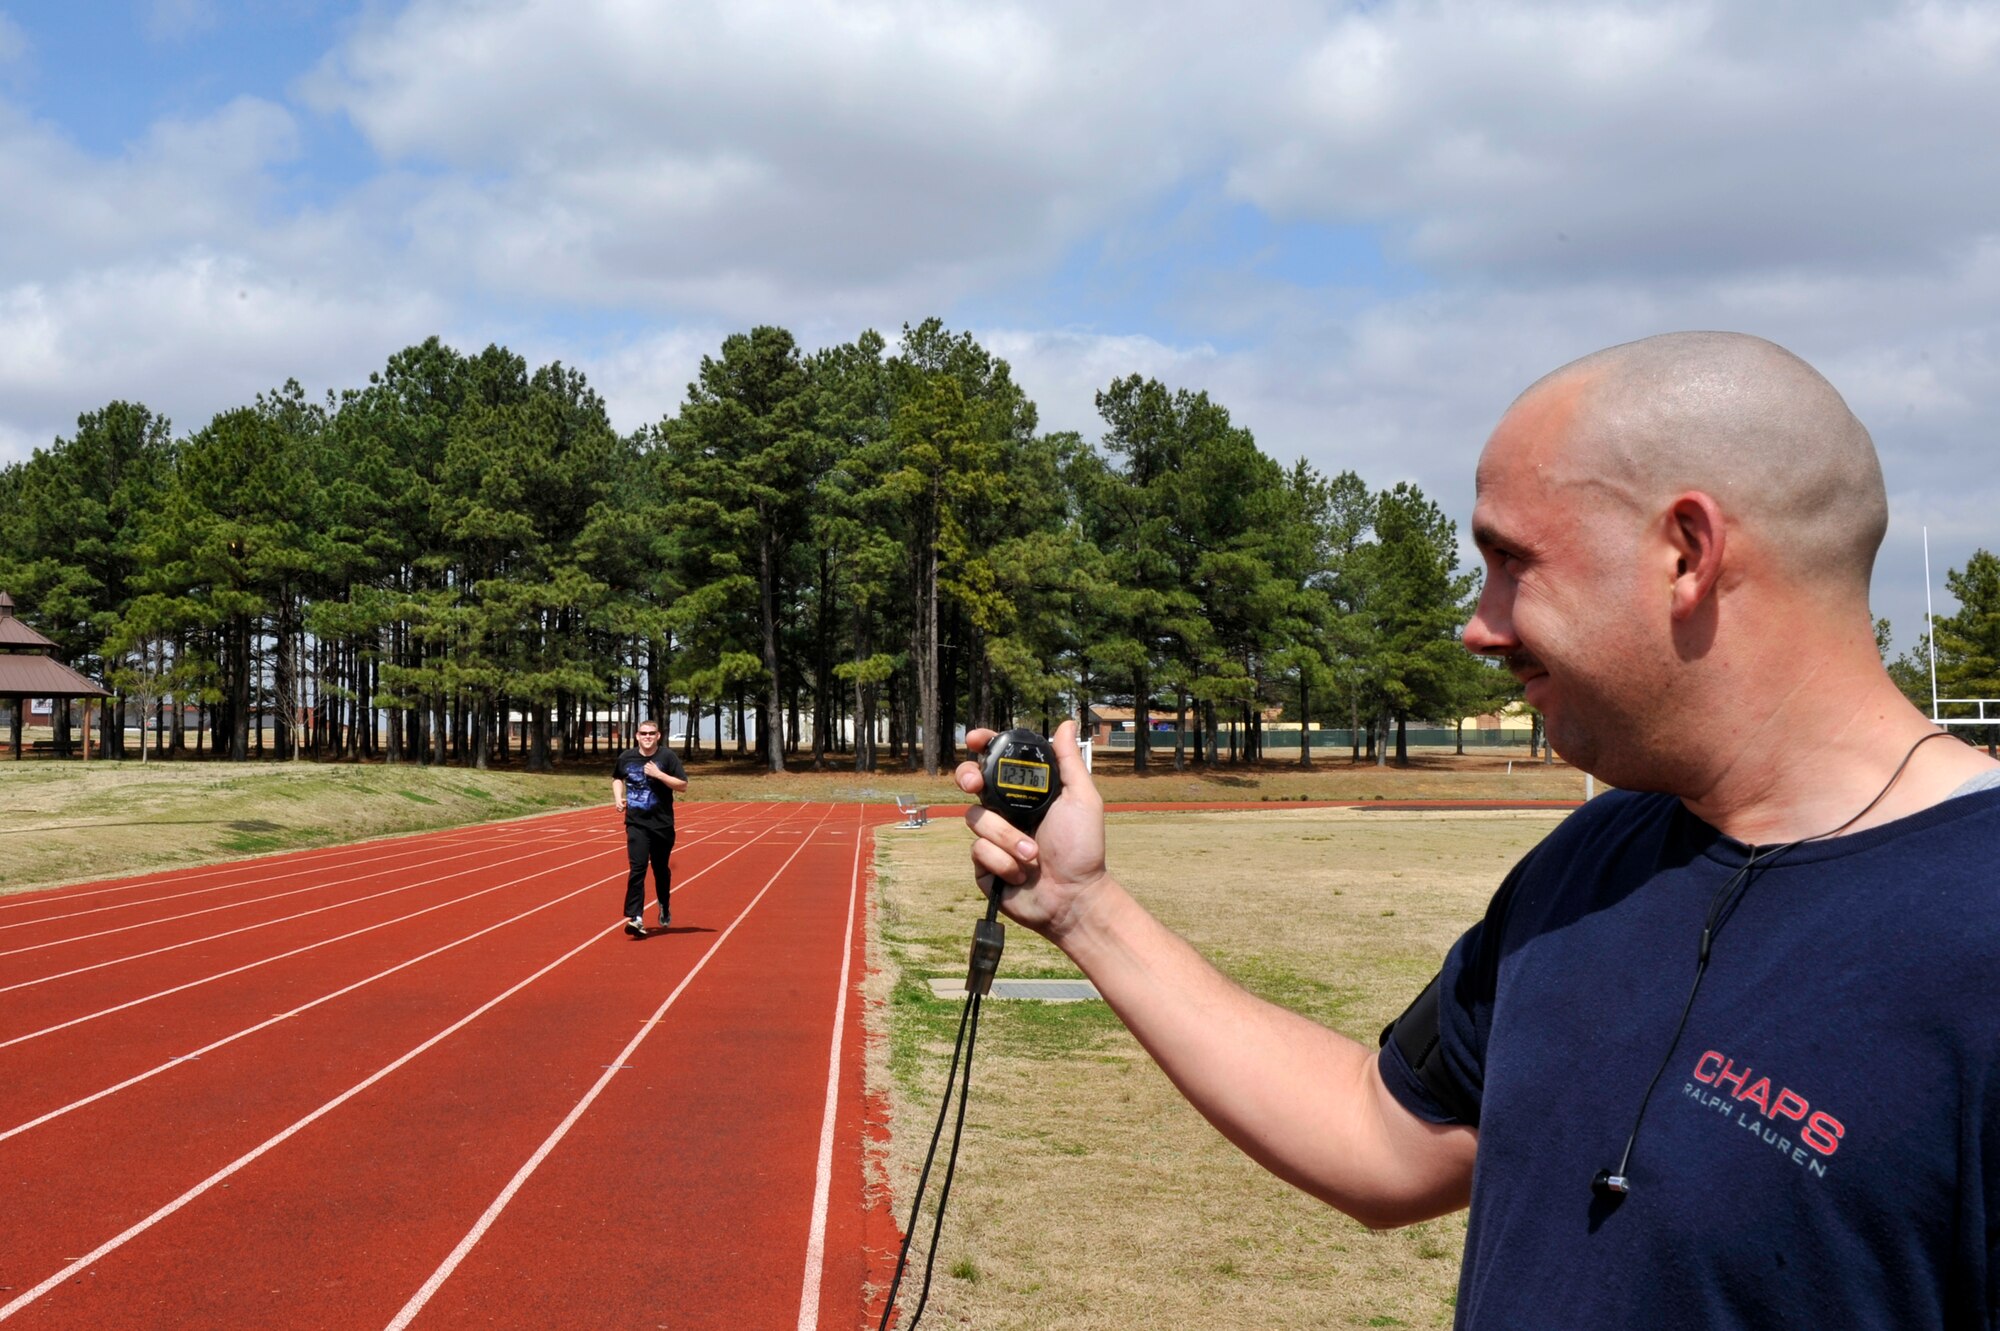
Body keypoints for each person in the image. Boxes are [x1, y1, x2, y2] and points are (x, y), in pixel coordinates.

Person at [956, 332, 2000, 1328]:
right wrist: (1082, 905)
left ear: (1687, 552)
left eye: (1510, 560)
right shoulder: (1594, 859)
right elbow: (1379, 1133)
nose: (1475, 621)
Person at [612, 719, 688, 936]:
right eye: (643, 733)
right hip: (636, 823)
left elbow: (683, 785)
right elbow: (617, 778)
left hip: (662, 824)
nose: (647, 736)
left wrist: (659, 775)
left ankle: (664, 902)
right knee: (638, 868)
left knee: (660, 870)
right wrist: (618, 798)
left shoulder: (667, 757)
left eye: (651, 733)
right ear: (637, 735)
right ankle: (635, 917)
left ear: (658, 736)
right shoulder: (627, 757)